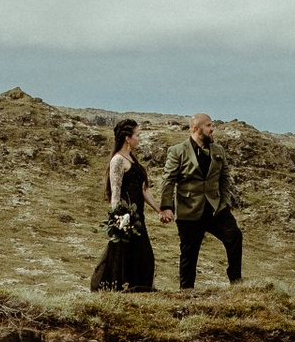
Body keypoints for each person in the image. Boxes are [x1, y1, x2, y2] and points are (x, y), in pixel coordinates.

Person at [162, 112, 242, 289]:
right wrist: (166, 207)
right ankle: (186, 292)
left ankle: (236, 282)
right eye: (209, 126)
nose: (212, 129)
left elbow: (225, 178)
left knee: (234, 236)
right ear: (196, 128)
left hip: (215, 209)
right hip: (189, 210)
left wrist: (224, 203)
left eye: (212, 125)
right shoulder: (177, 151)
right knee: (189, 254)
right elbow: (169, 180)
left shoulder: (218, 151)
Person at [91, 116, 155, 291]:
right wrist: (118, 219)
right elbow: (115, 191)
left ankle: (138, 290)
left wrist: (160, 210)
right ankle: (123, 289)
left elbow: (144, 190)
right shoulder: (118, 160)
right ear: (128, 138)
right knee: (126, 256)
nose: (139, 139)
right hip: (126, 219)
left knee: (144, 257)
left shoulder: (133, 159)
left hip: (138, 217)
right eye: (137, 135)